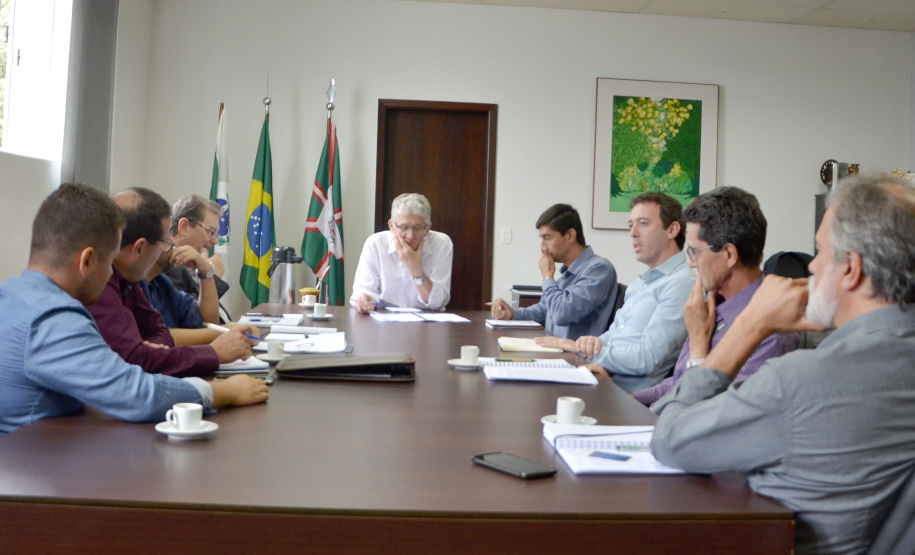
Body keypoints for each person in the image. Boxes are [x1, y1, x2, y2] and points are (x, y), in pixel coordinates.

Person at [650, 176, 915, 554]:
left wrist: (749, 326)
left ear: (850, 269)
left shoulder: (797, 381)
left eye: (819, 251)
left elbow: (669, 439)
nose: (812, 266)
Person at [0, 183, 267, 436]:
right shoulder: (53, 320)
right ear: (88, 261)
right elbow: (137, 395)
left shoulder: (11, 294)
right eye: (109, 262)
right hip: (32, 461)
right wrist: (225, 392)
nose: (111, 275)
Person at [632, 187, 800, 407]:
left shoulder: (770, 334)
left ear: (729, 254)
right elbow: (678, 383)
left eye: (695, 252)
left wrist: (698, 349)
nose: (691, 263)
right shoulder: (711, 304)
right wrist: (629, 400)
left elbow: (710, 416)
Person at [87, 187, 255, 377]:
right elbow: (135, 359)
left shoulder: (131, 281)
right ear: (139, 248)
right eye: (166, 242)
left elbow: (160, 331)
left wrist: (154, 350)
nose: (170, 247)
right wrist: (215, 353)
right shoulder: (101, 283)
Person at [542, 193, 694, 393]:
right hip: (603, 377)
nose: (633, 233)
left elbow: (648, 358)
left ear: (672, 230)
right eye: (631, 225)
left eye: (643, 223)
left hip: (628, 396)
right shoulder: (640, 282)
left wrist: (581, 349)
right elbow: (614, 335)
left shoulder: (681, 283)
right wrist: (593, 343)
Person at [490, 204, 618, 339]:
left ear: (570, 236)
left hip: (573, 352)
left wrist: (547, 277)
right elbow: (545, 310)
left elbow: (562, 314)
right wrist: (513, 314)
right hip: (552, 347)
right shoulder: (567, 275)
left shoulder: (599, 269)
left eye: (547, 238)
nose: (542, 247)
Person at [351, 193, 453, 313]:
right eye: (404, 227)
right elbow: (363, 291)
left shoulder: (441, 244)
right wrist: (365, 300)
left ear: (427, 229)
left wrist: (415, 268)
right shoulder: (375, 244)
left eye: (418, 228)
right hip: (383, 318)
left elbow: (438, 302)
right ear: (391, 226)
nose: (410, 236)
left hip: (427, 319)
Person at [162, 195, 232, 323]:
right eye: (211, 232)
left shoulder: (191, 264)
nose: (216, 241)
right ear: (184, 226)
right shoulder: (168, 264)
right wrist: (211, 276)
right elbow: (193, 318)